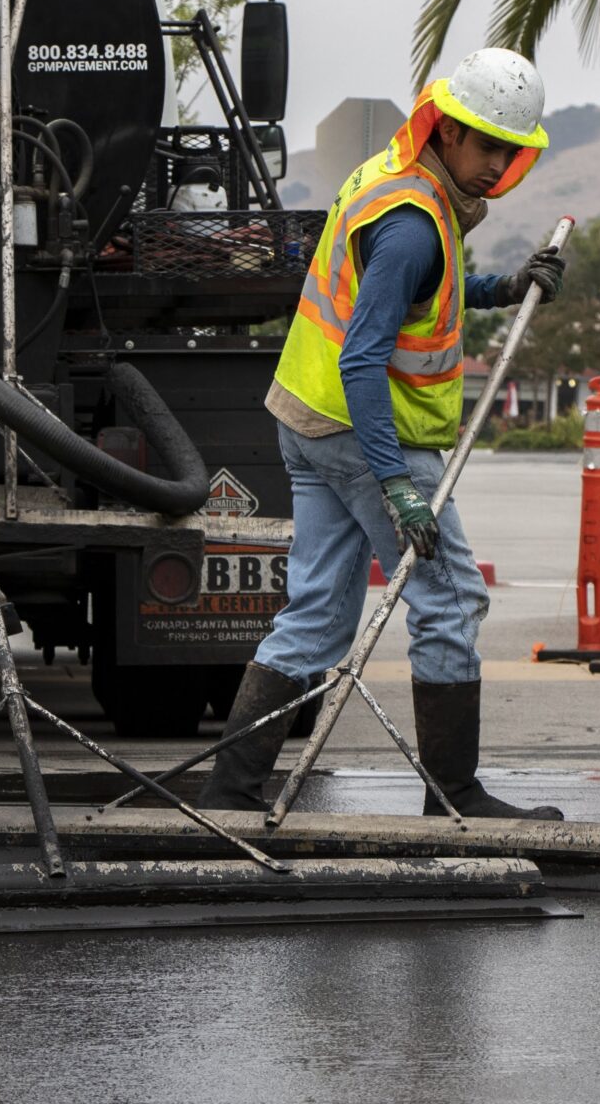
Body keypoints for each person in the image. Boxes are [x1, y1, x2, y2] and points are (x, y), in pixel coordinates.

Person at [200, 47, 566, 820]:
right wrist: (397, 484)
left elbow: (420, 294)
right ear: (447, 128)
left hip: (306, 419)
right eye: (485, 144)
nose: (495, 164)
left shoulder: (396, 182)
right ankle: (453, 793)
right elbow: (367, 357)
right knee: (451, 598)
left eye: (510, 150)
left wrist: (505, 286)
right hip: (364, 435)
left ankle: (229, 793)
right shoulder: (413, 226)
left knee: (317, 615)